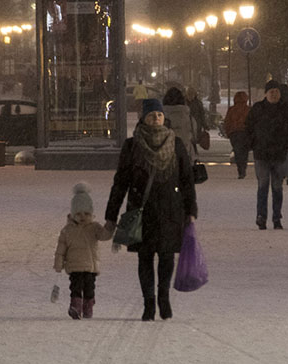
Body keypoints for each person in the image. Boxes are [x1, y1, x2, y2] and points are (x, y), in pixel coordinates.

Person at [105, 98, 198, 321]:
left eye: (158, 115)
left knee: (167, 256)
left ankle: (163, 298)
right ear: (143, 119)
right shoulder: (132, 145)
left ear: (164, 117)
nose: (156, 119)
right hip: (142, 210)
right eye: (151, 115)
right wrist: (111, 215)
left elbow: (187, 179)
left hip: (170, 209)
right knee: (145, 258)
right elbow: (121, 183)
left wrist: (191, 210)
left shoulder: (175, 144)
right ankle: (149, 303)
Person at [54, 183, 114, 319]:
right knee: (75, 287)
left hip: (90, 267)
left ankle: (88, 306)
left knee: (89, 288)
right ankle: (75, 306)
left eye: (86, 213)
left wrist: (110, 227)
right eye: (79, 214)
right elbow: (61, 249)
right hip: (74, 266)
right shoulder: (68, 230)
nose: (82, 217)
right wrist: (58, 263)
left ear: (91, 213)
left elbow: (104, 236)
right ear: (73, 214)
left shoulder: (94, 228)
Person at [247, 80, 288, 230]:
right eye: (271, 91)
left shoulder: (286, 109)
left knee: (277, 187)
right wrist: (253, 143)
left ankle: (276, 217)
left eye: (276, 91)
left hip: (280, 154)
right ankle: (261, 216)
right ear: (265, 93)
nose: (274, 94)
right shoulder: (258, 109)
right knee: (263, 185)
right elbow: (249, 127)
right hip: (262, 154)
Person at [224, 90, 251, 178]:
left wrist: (228, 132)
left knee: (238, 151)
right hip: (245, 132)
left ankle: (240, 169)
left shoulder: (232, 109)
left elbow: (227, 121)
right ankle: (243, 167)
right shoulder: (248, 109)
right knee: (244, 151)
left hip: (234, 133)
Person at [162, 86, 196, 154]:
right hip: (184, 154)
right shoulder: (189, 118)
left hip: (165, 155)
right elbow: (194, 135)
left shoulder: (160, 117)